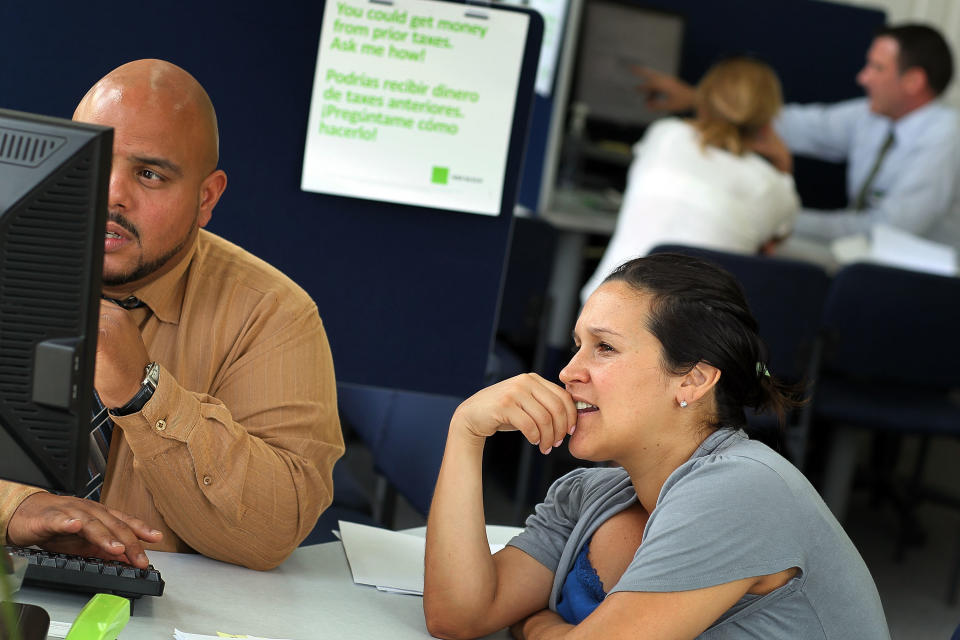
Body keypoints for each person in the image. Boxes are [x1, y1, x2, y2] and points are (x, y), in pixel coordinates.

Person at [424, 253, 890, 639]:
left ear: (693, 379)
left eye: (604, 347)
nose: (568, 371)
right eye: (577, 345)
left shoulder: (742, 488)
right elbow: (458, 616)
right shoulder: (590, 495)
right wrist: (466, 432)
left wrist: (538, 626)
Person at [0, 59, 345, 571]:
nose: (111, 194)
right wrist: (12, 506)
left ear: (206, 198)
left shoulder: (272, 313)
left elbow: (273, 530)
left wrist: (144, 392)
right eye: (93, 160)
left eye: (148, 173)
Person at [637, 24, 960, 251]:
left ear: (914, 81)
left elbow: (888, 230)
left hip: (918, 278)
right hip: (861, 255)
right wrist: (701, 99)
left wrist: (775, 215)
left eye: (876, 68)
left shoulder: (947, 135)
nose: (862, 77)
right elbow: (786, 123)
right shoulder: (872, 116)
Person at [580, 57, 798, 301]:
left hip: (602, 318)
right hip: (695, 332)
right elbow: (771, 245)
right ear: (769, 120)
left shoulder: (665, 136)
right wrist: (784, 164)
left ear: (704, 100)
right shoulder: (773, 186)